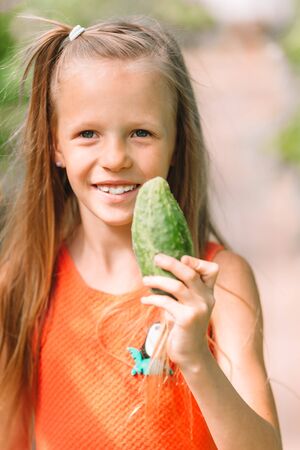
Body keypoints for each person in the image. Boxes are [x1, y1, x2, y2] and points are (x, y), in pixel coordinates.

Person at [0, 16, 282, 450]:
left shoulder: (218, 280)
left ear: (176, 144)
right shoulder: (23, 283)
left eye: (141, 133)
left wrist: (195, 359)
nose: (115, 158)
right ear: (56, 145)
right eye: (87, 133)